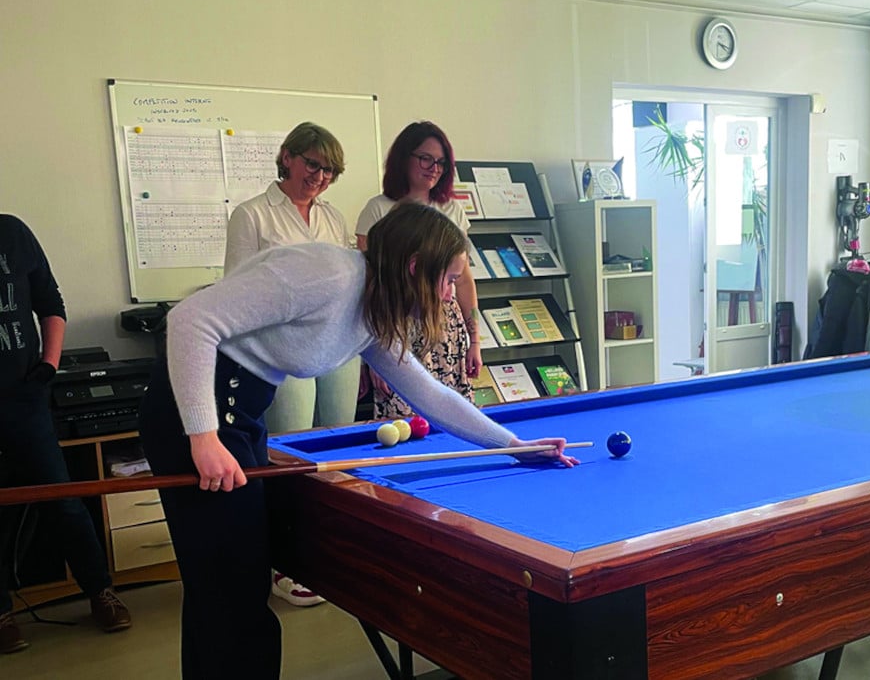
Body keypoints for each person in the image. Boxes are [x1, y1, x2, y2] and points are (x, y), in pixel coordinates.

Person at [139, 203, 577, 679]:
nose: (452, 295)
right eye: (449, 280)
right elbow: (190, 320)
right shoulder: (325, 274)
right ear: (415, 267)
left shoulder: (375, 306)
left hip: (238, 411)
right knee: (230, 587)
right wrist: (203, 437)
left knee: (230, 584)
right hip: (196, 410)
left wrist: (513, 445)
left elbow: (430, 395)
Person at [225, 121, 359, 606]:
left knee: (339, 453)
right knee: (290, 458)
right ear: (287, 157)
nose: (320, 177)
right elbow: (238, 291)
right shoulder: (252, 214)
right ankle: (286, 562)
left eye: (330, 171)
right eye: (313, 165)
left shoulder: (332, 217)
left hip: (336, 347)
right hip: (282, 352)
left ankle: (330, 552)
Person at [0, 214, 131, 654]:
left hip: (25, 396)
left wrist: (49, 366)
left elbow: (50, 304)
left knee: (63, 499)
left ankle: (100, 591)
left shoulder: (12, 233)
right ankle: (1, 614)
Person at [356, 121, 481, 419]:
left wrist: (475, 341)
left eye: (441, 162)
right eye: (426, 159)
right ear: (404, 158)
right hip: (396, 328)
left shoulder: (452, 210)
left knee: (454, 415)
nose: (434, 168)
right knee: (403, 422)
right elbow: (370, 287)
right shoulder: (378, 208)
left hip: (446, 328)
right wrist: (374, 357)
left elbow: (463, 280)